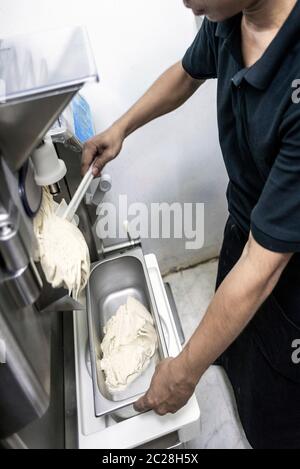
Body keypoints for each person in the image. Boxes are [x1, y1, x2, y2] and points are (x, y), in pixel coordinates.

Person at [82, 0, 300, 449]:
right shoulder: (232, 14)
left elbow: (263, 268)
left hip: (284, 266)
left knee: (273, 405)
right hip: (245, 229)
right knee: (235, 354)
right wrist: (122, 127)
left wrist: (184, 372)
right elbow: (187, 72)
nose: (184, 1)